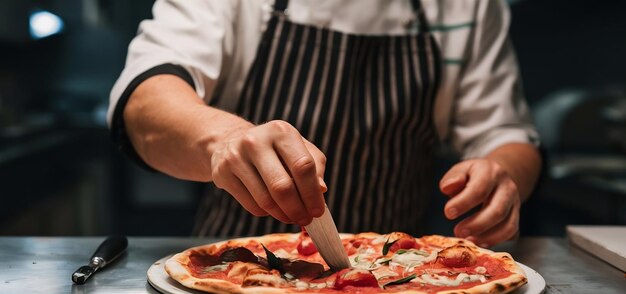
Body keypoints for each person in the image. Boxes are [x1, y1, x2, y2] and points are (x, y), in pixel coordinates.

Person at [108, 0, 542, 247]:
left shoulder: (470, 6)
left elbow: (507, 135)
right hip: (235, 270)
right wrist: (228, 140)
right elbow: (146, 102)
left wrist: (503, 176)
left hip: (394, 279)